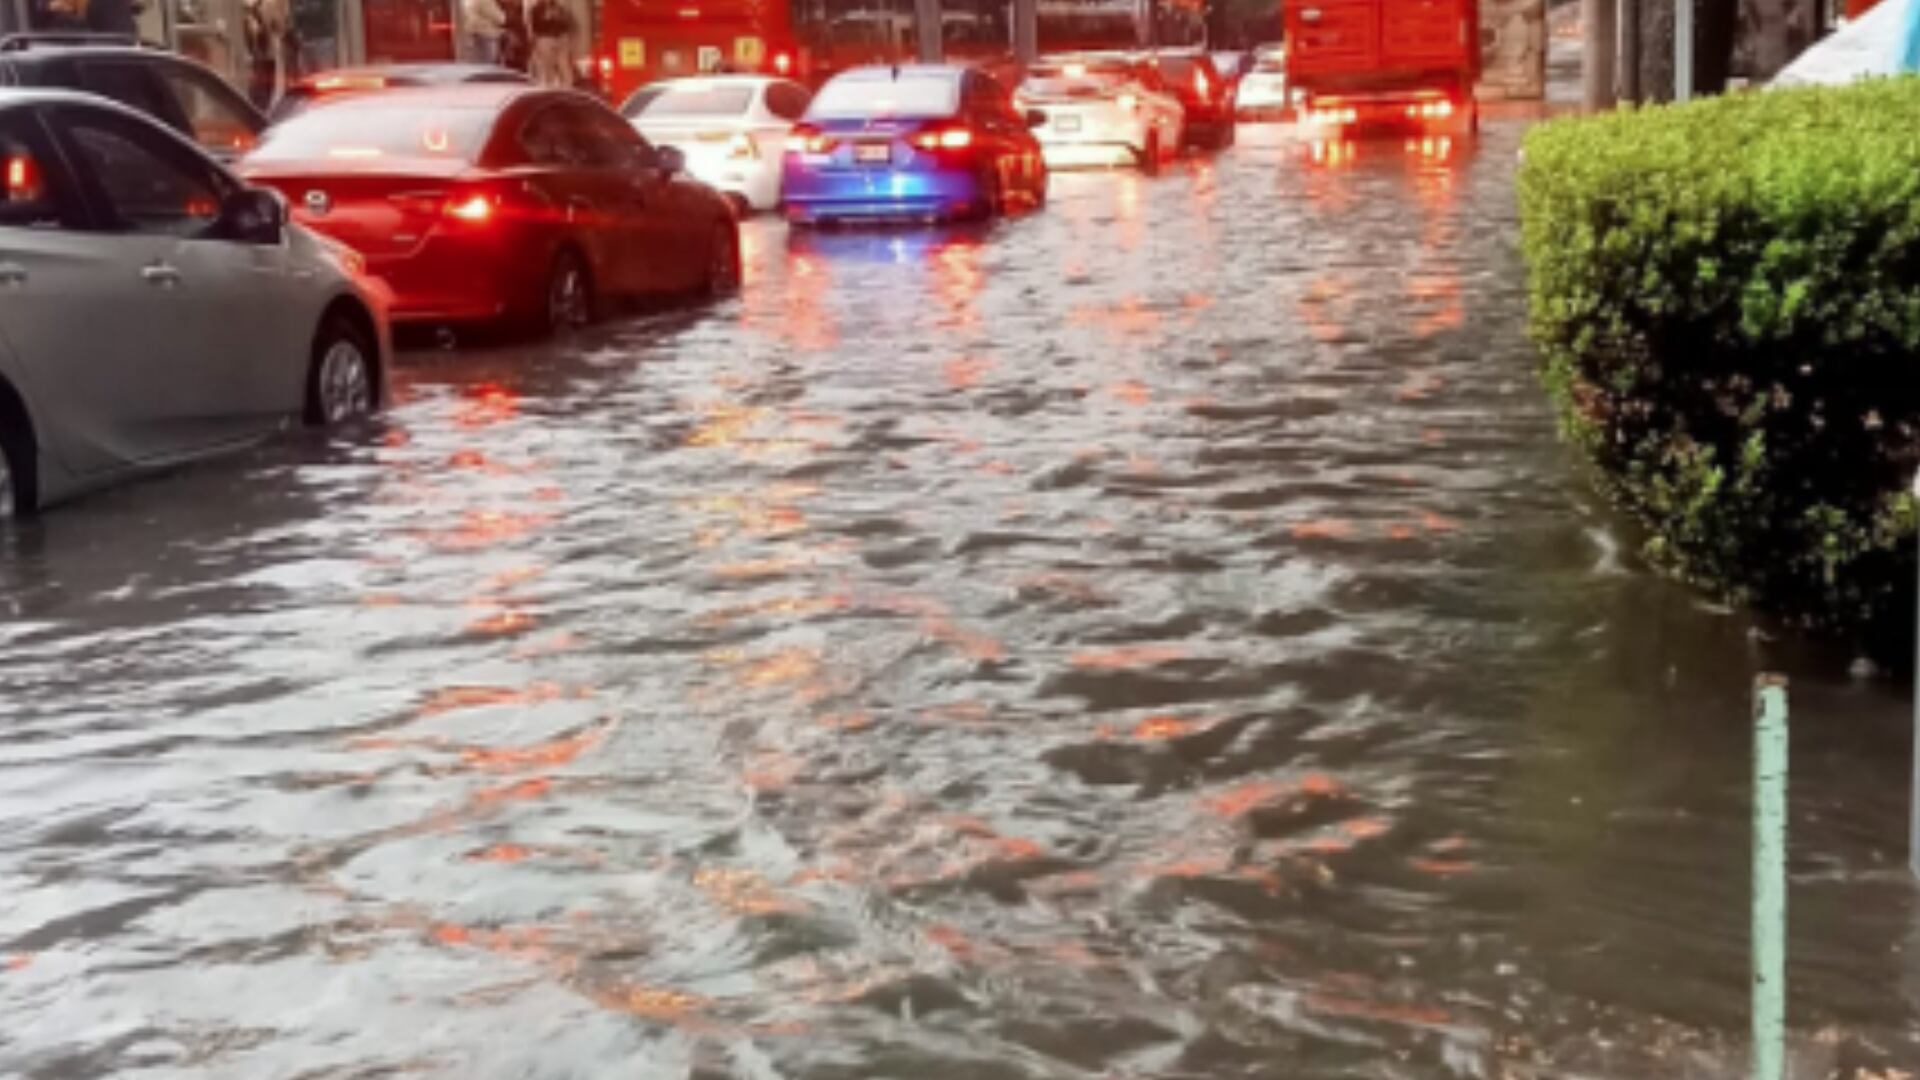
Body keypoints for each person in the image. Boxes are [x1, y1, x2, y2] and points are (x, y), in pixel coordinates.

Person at [525, 0, 573, 87]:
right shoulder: (537, 9)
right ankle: (551, 87)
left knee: (563, 67)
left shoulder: (558, 8)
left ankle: (566, 89)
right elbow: (533, 27)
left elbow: (566, 24)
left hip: (558, 38)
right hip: (546, 39)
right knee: (548, 68)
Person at [462, 0, 507, 66]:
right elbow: (500, 18)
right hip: (487, 34)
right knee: (488, 64)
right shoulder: (486, 1)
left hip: (473, 33)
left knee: (477, 63)